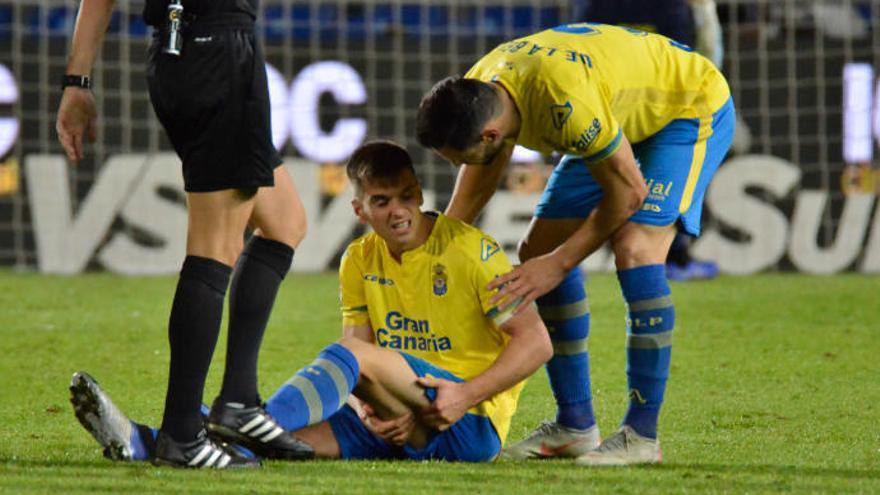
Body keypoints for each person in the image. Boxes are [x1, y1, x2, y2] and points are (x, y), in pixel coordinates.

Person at [69, 140, 553, 463]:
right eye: (382, 202)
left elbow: (535, 343)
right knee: (282, 448)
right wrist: (371, 412)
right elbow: (360, 353)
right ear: (359, 210)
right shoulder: (358, 260)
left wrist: (464, 395)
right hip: (393, 417)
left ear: (420, 191)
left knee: (287, 412)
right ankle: (145, 443)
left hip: (467, 423)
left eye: (407, 196)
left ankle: (241, 422)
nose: (399, 211)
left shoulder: (473, 251)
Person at [416, 23, 735, 465]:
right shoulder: (485, 83)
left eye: (456, 157)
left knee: (636, 248)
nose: (455, 165)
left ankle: (642, 436)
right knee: (536, 249)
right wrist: (439, 247)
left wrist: (559, 264)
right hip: (616, 116)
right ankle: (574, 426)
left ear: (489, 134)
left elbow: (629, 194)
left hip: (685, 107)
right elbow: (480, 175)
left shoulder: (563, 101)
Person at [56, 0, 310, 468]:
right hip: (219, 52)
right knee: (216, 247)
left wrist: (77, 81)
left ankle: (238, 402)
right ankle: (182, 436)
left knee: (285, 221)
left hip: (177, 54)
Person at [577, 0, 725, 282]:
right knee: (667, 168)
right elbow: (703, 57)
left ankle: (575, 257)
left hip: (606, 99)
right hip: (660, 99)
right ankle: (671, 256)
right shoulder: (675, 10)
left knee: (601, 167)